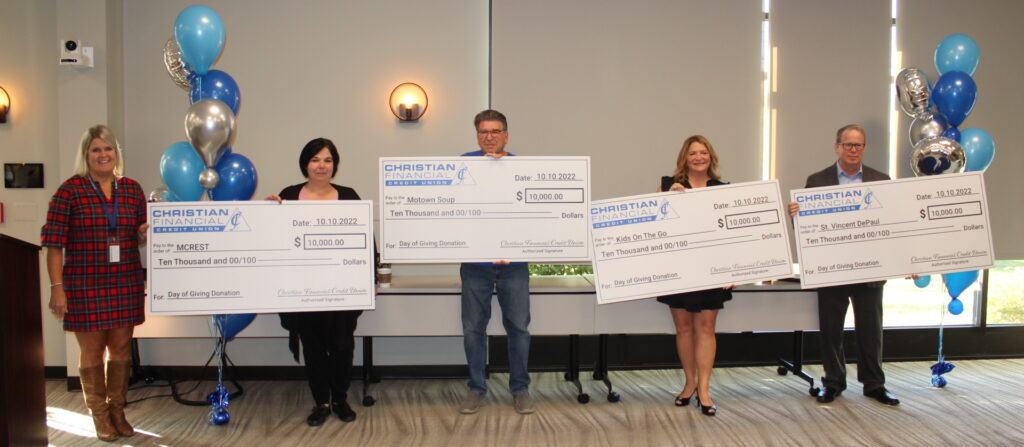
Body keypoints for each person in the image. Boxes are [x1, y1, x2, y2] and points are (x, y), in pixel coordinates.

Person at [42, 125, 148, 441]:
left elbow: (137, 233)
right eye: (96, 150)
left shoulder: (132, 189)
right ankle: (99, 416)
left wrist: (142, 235)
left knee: (120, 351)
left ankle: (118, 411)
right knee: (91, 353)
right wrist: (56, 288)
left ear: (116, 153)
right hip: (83, 284)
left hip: (125, 280)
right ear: (86, 155)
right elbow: (54, 245)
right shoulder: (69, 191)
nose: (103, 155)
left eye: (108, 149)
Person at [787, 124, 899, 406]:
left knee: (871, 331)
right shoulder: (817, 181)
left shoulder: (881, 180)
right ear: (837, 147)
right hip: (831, 270)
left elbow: (893, 225)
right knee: (831, 330)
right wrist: (796, 216)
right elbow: (808, 228)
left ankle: (874, 384)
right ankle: (833, 382)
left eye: (858, 145)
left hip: (869, 269)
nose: (853, 150)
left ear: (864, 148)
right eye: (848, 145)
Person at [266, 138, 375, 426]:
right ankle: (321, 402)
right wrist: (267, 213)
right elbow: (271, 238)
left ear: (334, 165)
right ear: (305, 163)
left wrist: (371, 277)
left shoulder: (349, 195)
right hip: (302, 290)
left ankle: (340, 398)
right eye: (315, 159)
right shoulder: (288, 196)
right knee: (313, 347)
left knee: (342, 346)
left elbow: (366, 241)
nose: (321, 165)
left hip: (342, 289)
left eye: (327, 160)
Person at [458, 109, 534, 415]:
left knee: (518, 327)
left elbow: (531, 215)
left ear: (506, 135)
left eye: (495, 131)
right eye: (483, 132)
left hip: (513, 264)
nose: (489, 137)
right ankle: (477, 388)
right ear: (477, 135)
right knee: (473, 328)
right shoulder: (463, 165)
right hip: (475, 264)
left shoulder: (521, 168)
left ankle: (521, 388)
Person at [655, 135, 732, 417]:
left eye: (703, 152)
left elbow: (731, 234)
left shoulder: (723, 190)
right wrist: (666, 201)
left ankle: (705, 390)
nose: (698, 157)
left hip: (712, 269)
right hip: (679, 270)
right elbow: (654, 226)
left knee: (707, 329)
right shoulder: (668, 186)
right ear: (684, 159)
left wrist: (734, 268)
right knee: (684, 329)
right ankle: (689, 383)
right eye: (692, 154)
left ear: (711, 156)